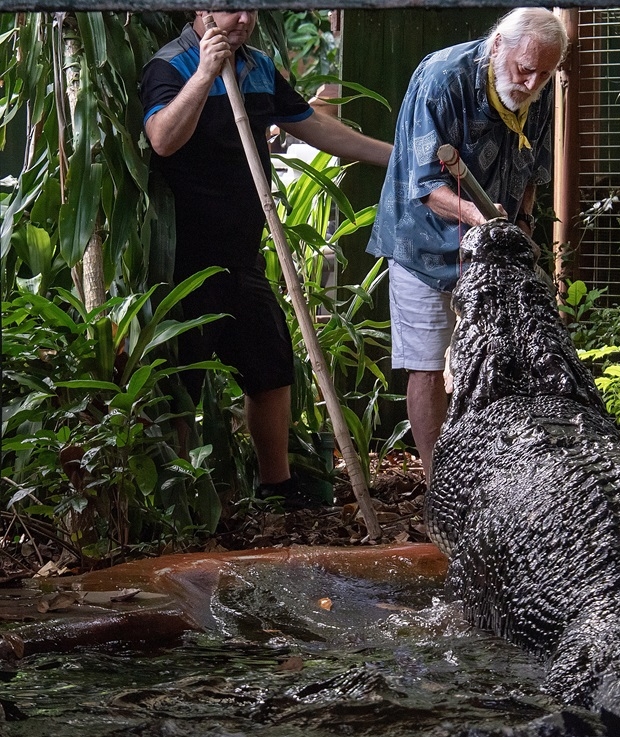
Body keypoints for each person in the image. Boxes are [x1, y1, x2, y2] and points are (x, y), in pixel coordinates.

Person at [140, 11, 392, 507]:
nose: (245, 18)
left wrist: (394, 155)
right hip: (182, 262)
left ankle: (277, 487)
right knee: (179, 381)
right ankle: (176, 504)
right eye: (232, 7)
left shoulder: (256, 65)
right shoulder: (169, 65)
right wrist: (205, 75)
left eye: (252, 7)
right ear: (201, 11)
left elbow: (311, 125)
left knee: (271, 368)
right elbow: (163, 139)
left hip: (242, 254)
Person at [366, 8, 568, 483]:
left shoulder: (537, 88)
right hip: (423, 242)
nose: (532, 81)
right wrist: (482, 220)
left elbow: (533, 168)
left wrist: (520, 224)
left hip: (495, 248)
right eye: (525, 68)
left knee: (502, 355)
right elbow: (427, 183)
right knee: (426, 363)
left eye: (546, 72)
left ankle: (498, 479)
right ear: (498, 44)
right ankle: (440, 486)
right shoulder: (440, 79)